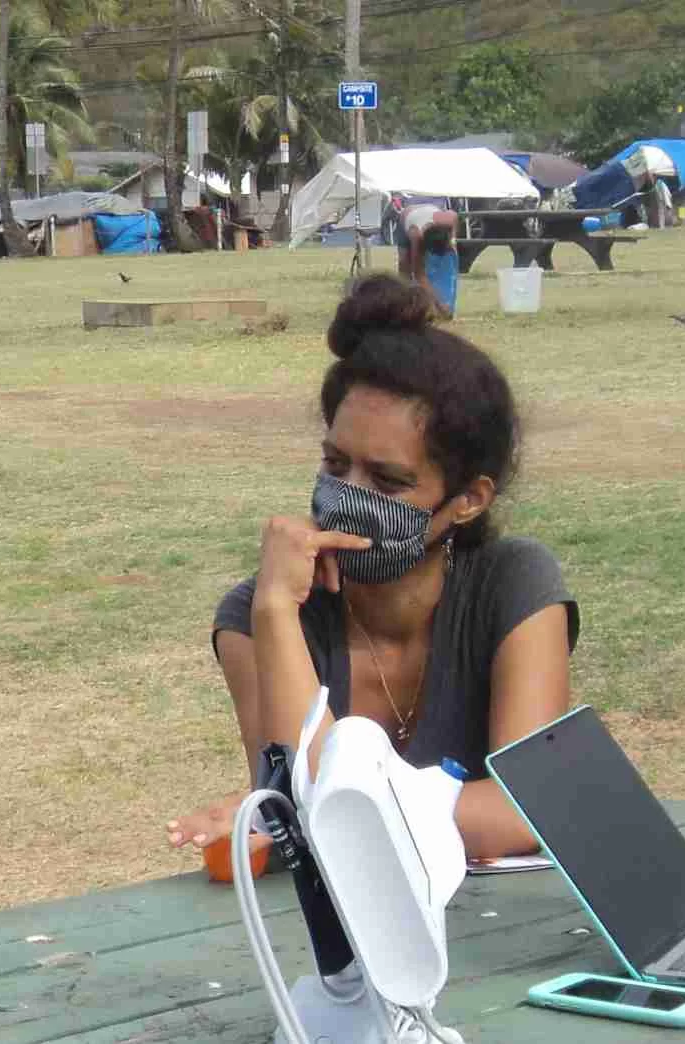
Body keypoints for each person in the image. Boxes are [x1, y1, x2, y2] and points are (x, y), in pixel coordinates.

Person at [165, 273, 577, 861]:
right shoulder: (259, 615)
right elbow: (304, 801)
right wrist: (276, 610)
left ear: (468, 499)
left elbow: (521, 814)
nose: (347, 497)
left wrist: (329, 809)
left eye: (387, 481)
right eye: (335, 465)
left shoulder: (513, 584)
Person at [391, 198, 460, 318]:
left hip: (428, 214)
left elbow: (454, 215)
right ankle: (404, 304)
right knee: (405, 267)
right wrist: (440, 305)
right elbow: (419, 275)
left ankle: (428, 305)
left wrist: (452, 241)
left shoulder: (447, 219)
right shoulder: (415, 235)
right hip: (406, 220)